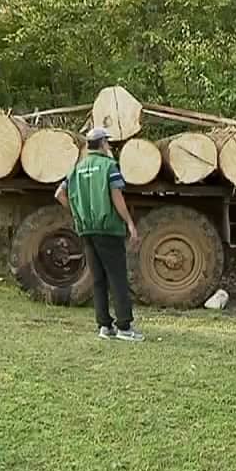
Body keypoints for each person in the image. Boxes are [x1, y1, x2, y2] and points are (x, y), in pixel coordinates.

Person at [55, 128, 144, 342]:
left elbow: (59, 194)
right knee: (117, 277)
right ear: (103, 143)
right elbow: (116, 197)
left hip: (86, 229)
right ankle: (124, 326)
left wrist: (77, 213)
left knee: (98, 279)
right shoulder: (109, 167)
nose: (110, 146)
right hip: (108, 229)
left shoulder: (76, 169)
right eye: (108, 142)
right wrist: (130, 223)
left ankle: (104, 326)